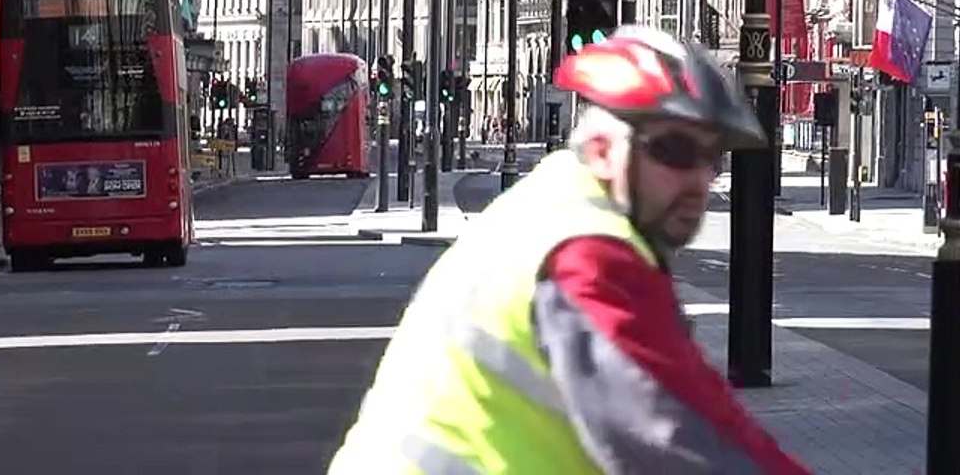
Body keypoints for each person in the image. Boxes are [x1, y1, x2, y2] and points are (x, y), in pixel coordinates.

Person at [328, 26, 811, 474]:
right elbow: (677, 433)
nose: (699, 180)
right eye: (676, 152)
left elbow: (702, 405)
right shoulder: (587, 253)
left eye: (712, 158)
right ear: (603, 150)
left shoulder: (556, 205)